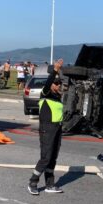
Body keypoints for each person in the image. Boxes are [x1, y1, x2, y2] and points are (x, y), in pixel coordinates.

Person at [28, 59, 64, 195]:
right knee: (46, 158)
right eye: (56, 83)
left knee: (53, 157)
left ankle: (50, 184)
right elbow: (49, 82)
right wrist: (55, 70)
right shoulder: (45, 93)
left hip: (57, 129)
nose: (58, 85)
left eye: (59, 83)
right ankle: (33, 182)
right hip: (47, 129)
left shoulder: (57, 97)